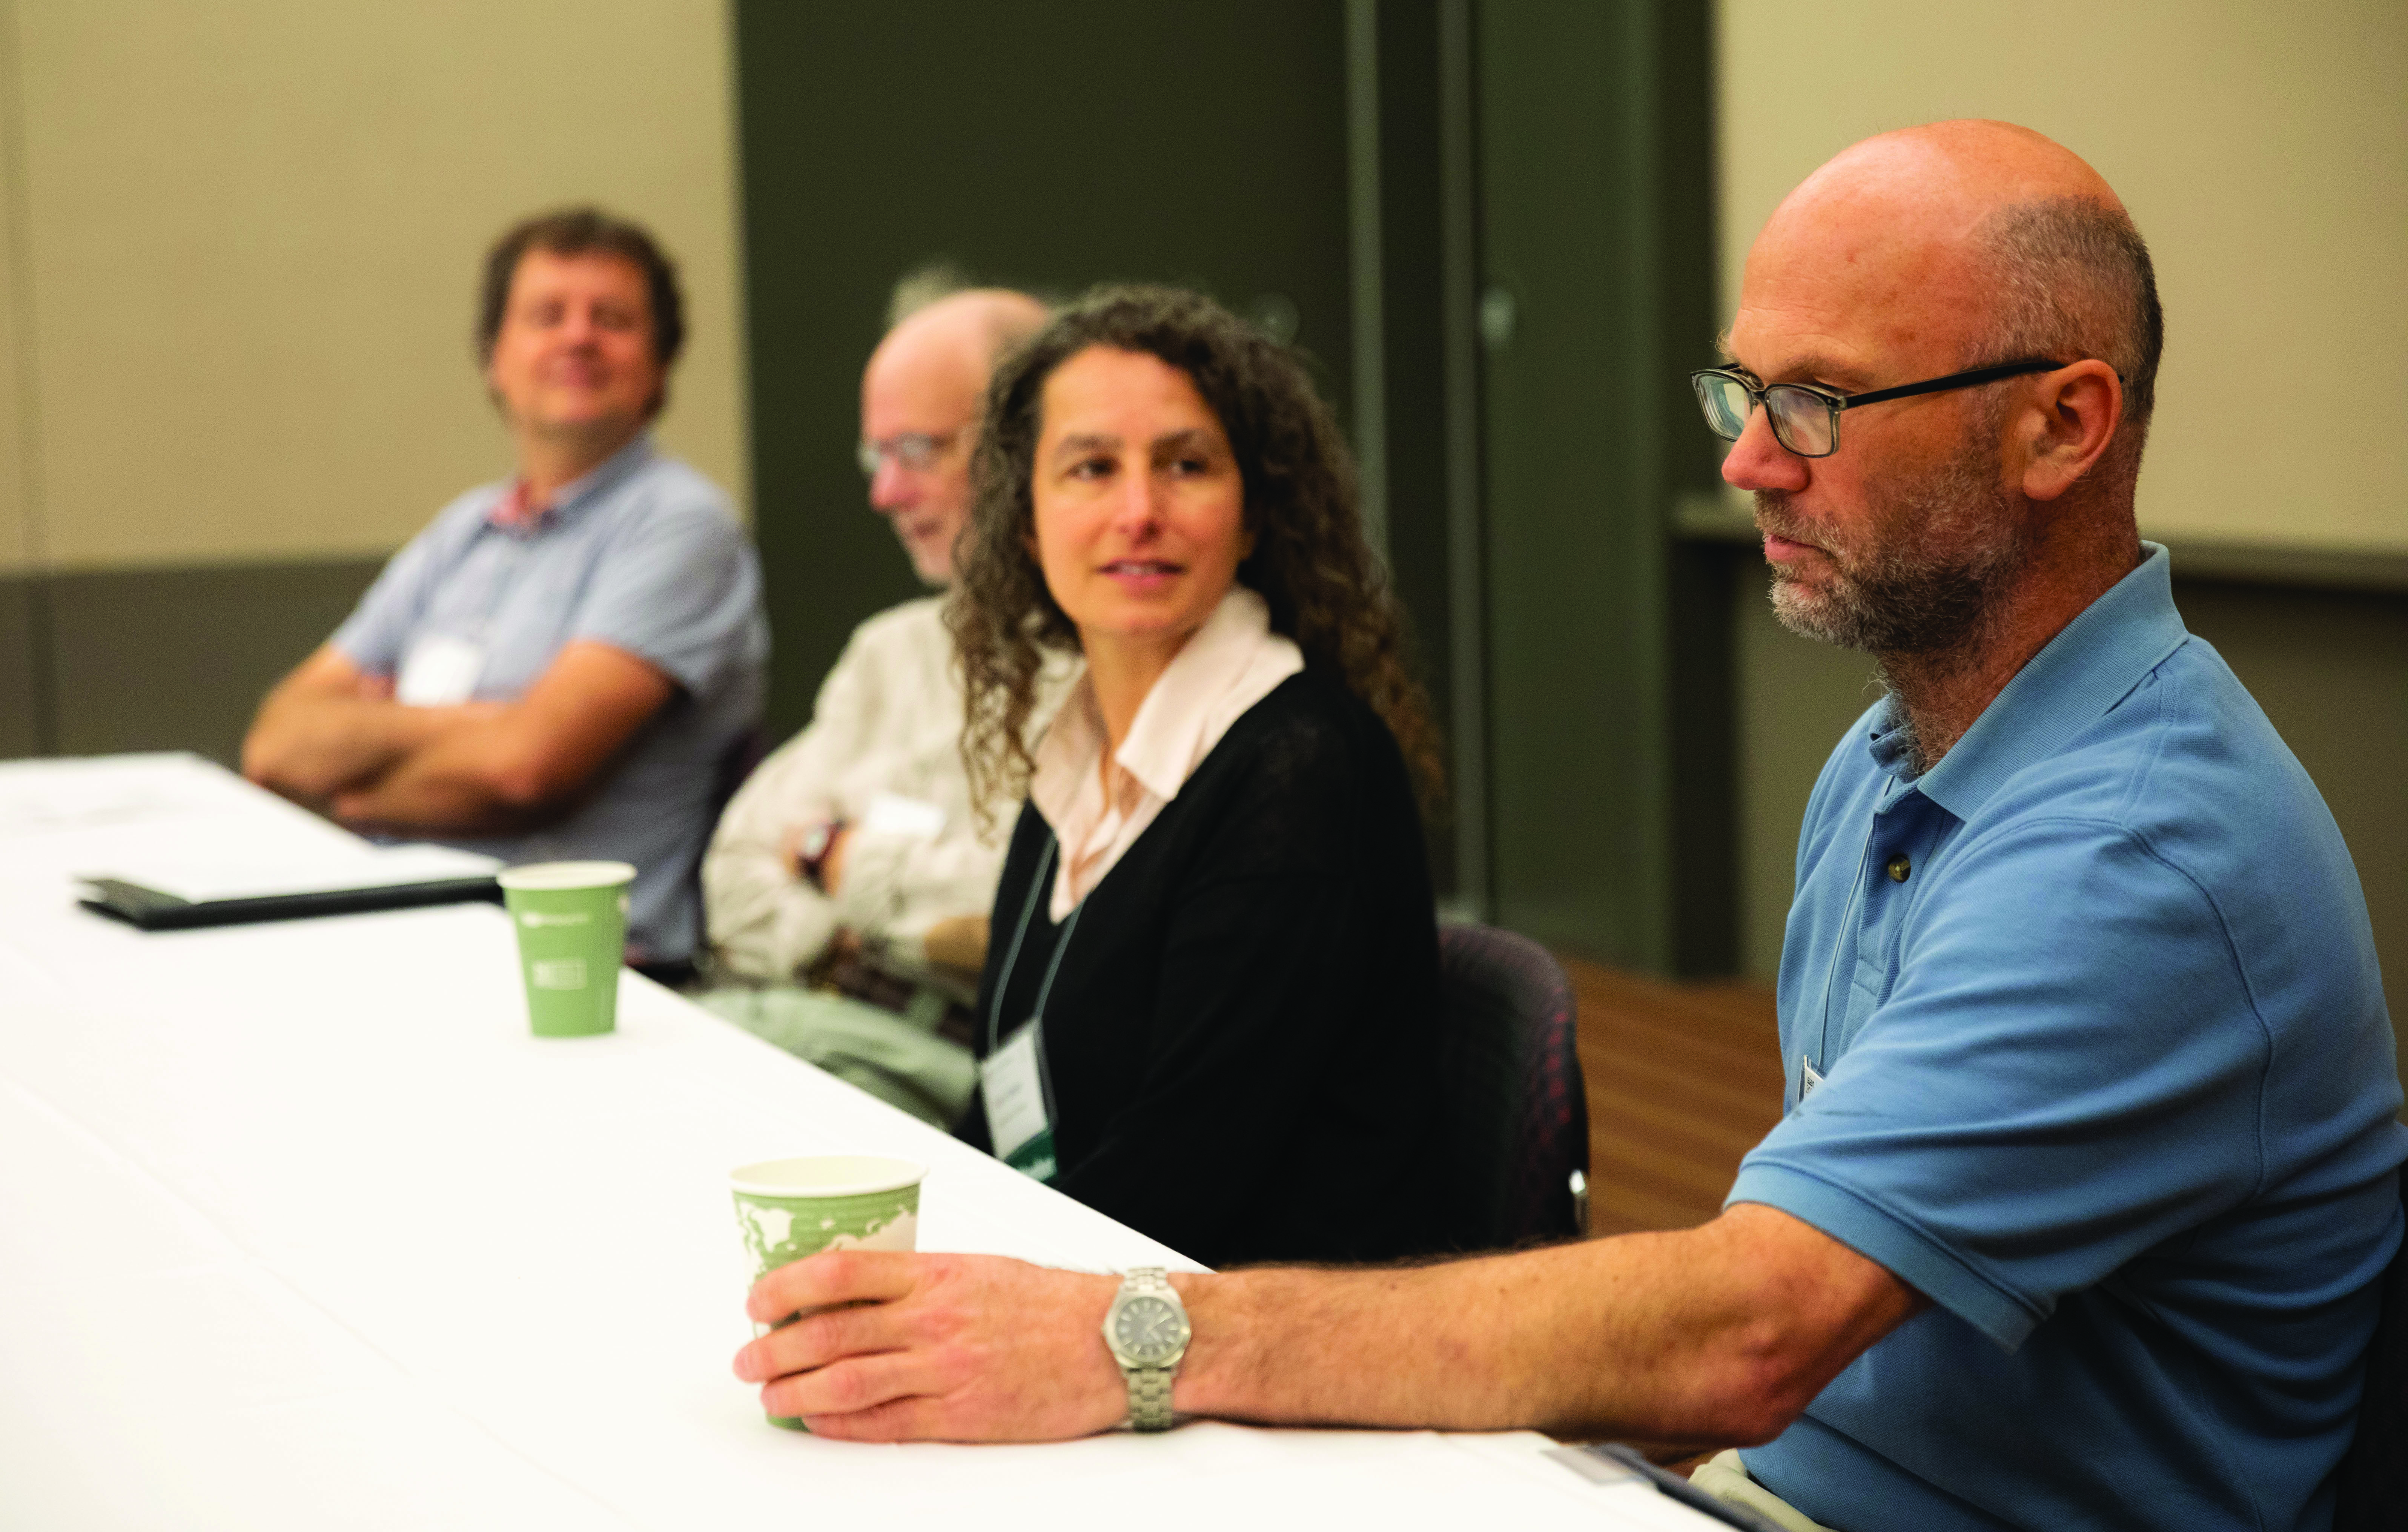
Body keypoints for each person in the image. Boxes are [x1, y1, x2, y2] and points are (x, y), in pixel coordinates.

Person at [730, 124, 2407, 1532]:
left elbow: (1749, 1327)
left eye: (1820, 403)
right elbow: (1789, 1316)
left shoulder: (2142, 853)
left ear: (2064, 426)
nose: (1750, 462)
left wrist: (1136, 1337)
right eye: (1739, 392)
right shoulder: (1895, 759)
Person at [932, 284, 1449, 1268]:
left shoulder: (1300, 773)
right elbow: (1004, 1095)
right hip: (1088, 1288)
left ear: (1253, 515)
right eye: (1091, 468)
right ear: (1028, 523)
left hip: (1258, 1350)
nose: (1139, 513)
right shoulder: (1078, 748)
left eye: (1186, 466)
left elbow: (1182, 1182)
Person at [243, 208, 766, 972]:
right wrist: (481, 722)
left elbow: (527, 769)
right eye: (546, 316)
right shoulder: (463, 531)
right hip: (401, 940)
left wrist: (362, 781)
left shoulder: (682, 526)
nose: (578, 337)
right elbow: (277, 743)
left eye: (612, 319)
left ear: (661, 365)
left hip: (585, 974)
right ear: (495, 359)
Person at [698, 284, 1051, 1124]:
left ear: (1030, 444)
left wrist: (836, 860)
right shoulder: (889, 651)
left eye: (917, 450)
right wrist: (851, 944)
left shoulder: (1110, 664)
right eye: (875, 457)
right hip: (786, 1015)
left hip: (943, 1068)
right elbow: (735, 874)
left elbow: (1022, 924)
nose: (884, 495)